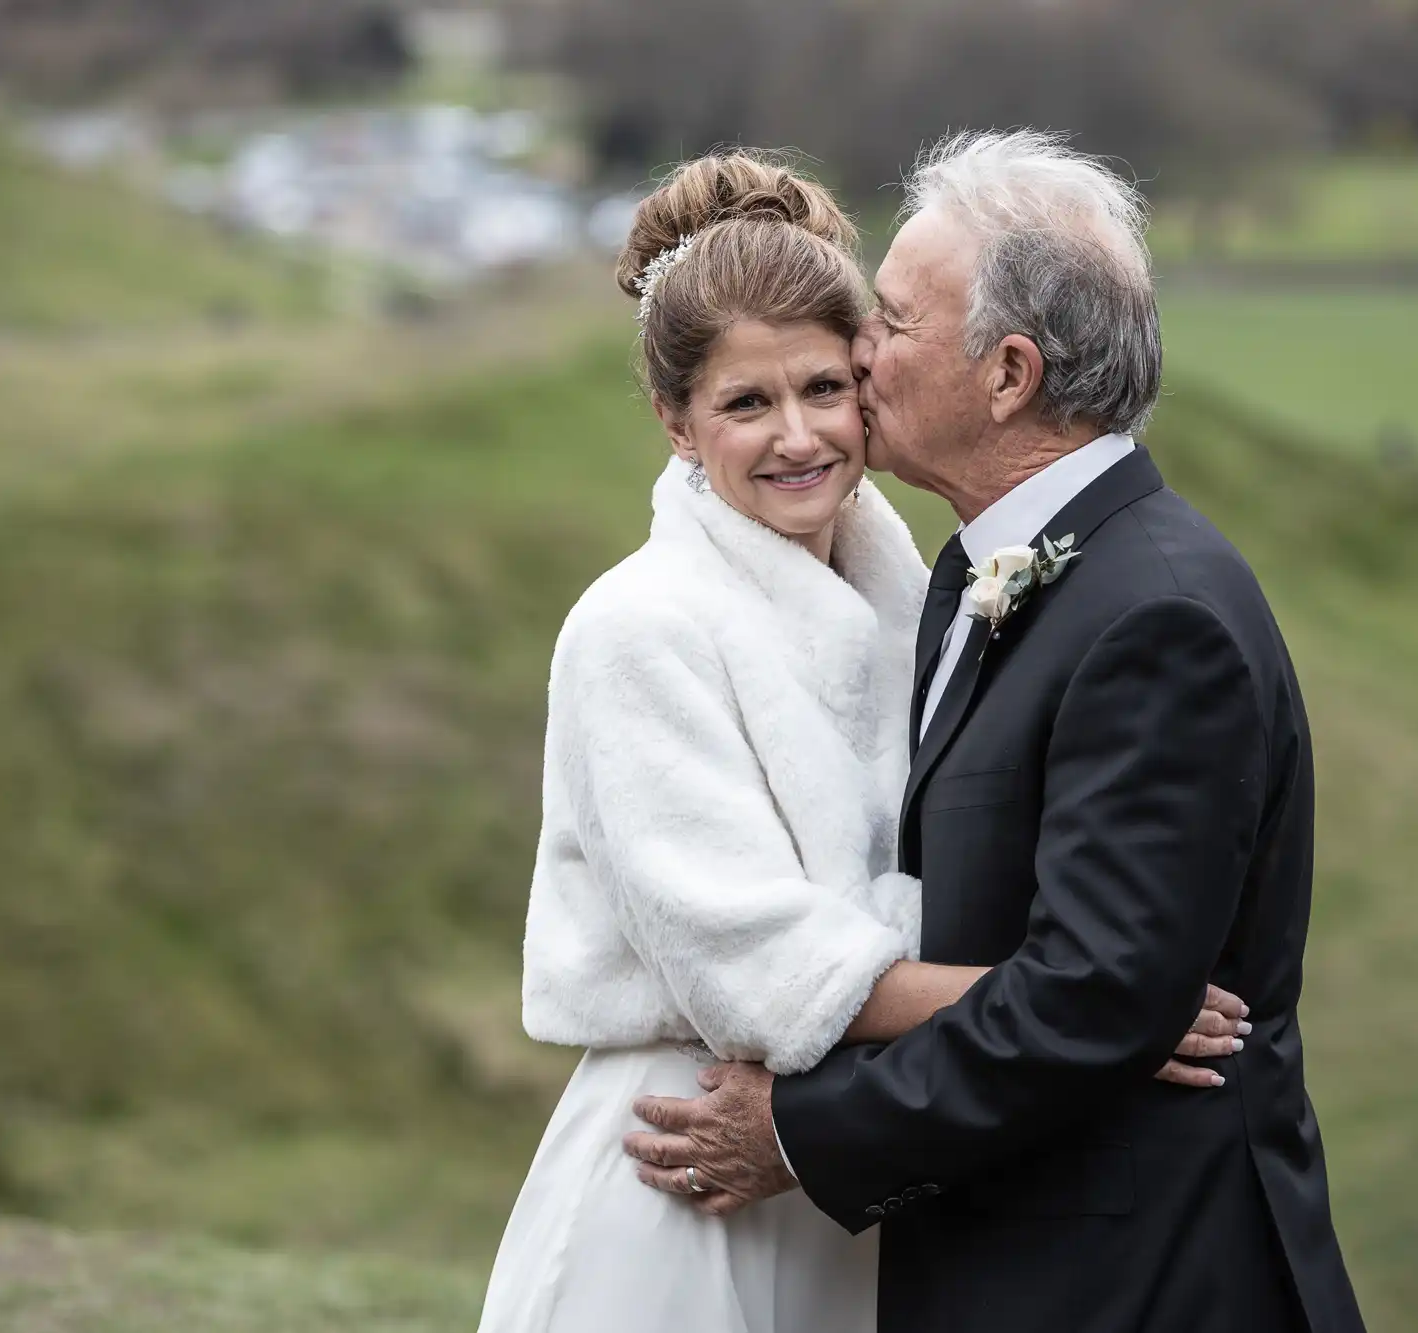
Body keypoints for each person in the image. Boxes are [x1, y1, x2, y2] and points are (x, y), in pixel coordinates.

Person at [474, 149, 1247, 1333]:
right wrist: (1086, 1018)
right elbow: (753, 968)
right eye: (744, 403)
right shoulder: (634, 630)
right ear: (675, 421)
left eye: (824, 388)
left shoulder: (917, 594)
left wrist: (1069, 1016)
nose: (797, 437)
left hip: (859, 1171)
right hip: (692, 1155)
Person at [623, 132, 1368, 1333]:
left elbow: (1092, 998)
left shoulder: (1154, 615)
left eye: (894, 324)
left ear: (1008, 373)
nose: (859, 352)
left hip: (1138, 1285)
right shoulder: (980, 575)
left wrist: (799, 1135)